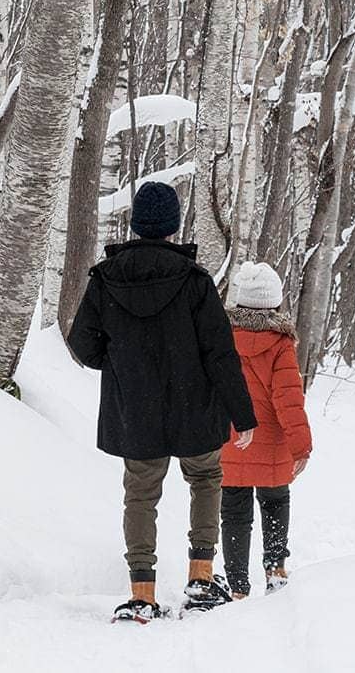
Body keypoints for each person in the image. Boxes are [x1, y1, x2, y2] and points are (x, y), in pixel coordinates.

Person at [67, 181, 258, 623]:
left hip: (135, 408)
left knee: (140, 495)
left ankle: (142, 592)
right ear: (173, 226)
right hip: (194, 404)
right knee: (206, 478)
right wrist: (241, 413)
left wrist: (117, 364)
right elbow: (219, 352)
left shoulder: (105, 278)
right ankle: (201, 577)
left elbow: (82, 342)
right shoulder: (195, 282)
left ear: (136, 224)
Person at [220, 261, 312, 599]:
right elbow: (288, 398)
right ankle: (275, 569)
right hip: (271, 439)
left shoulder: (220, 338)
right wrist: (301, 445)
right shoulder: (280, 343)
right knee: (275, 500)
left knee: (234, 510)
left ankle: (237, 585)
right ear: (274, 301)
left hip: (232, 438)